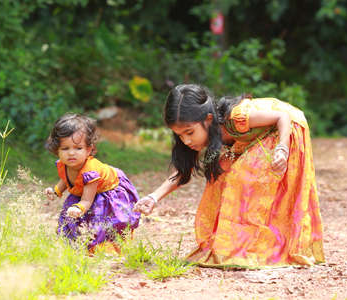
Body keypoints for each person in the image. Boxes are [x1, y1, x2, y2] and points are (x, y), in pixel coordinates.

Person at [133, 84, 325, 268]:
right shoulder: (197, 136)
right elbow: (182, 172)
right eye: (180, 135)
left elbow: (282, 117)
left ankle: (260, 245)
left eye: (189, 132)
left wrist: (282, 149)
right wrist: (153, 197)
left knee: (242, 175)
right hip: (255, 135)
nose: (186, 140)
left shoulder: (236, 118)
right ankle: (232, 242)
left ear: (208, 119)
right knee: (220, 173)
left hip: (286, 127)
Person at [44, 113, 140, 252]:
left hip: (106, 191)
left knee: (105, 220)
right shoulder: (63, 164)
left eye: (78, 148)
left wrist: (78, 208)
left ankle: (109, 246)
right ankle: (76, 243)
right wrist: (56, 191)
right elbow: (66, 179)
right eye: (65, 148)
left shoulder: (90, 171)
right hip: (84, 193)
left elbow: (87, 201)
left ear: (89, 149)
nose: (71, 153)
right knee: (71, 218)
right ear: (57, 150)